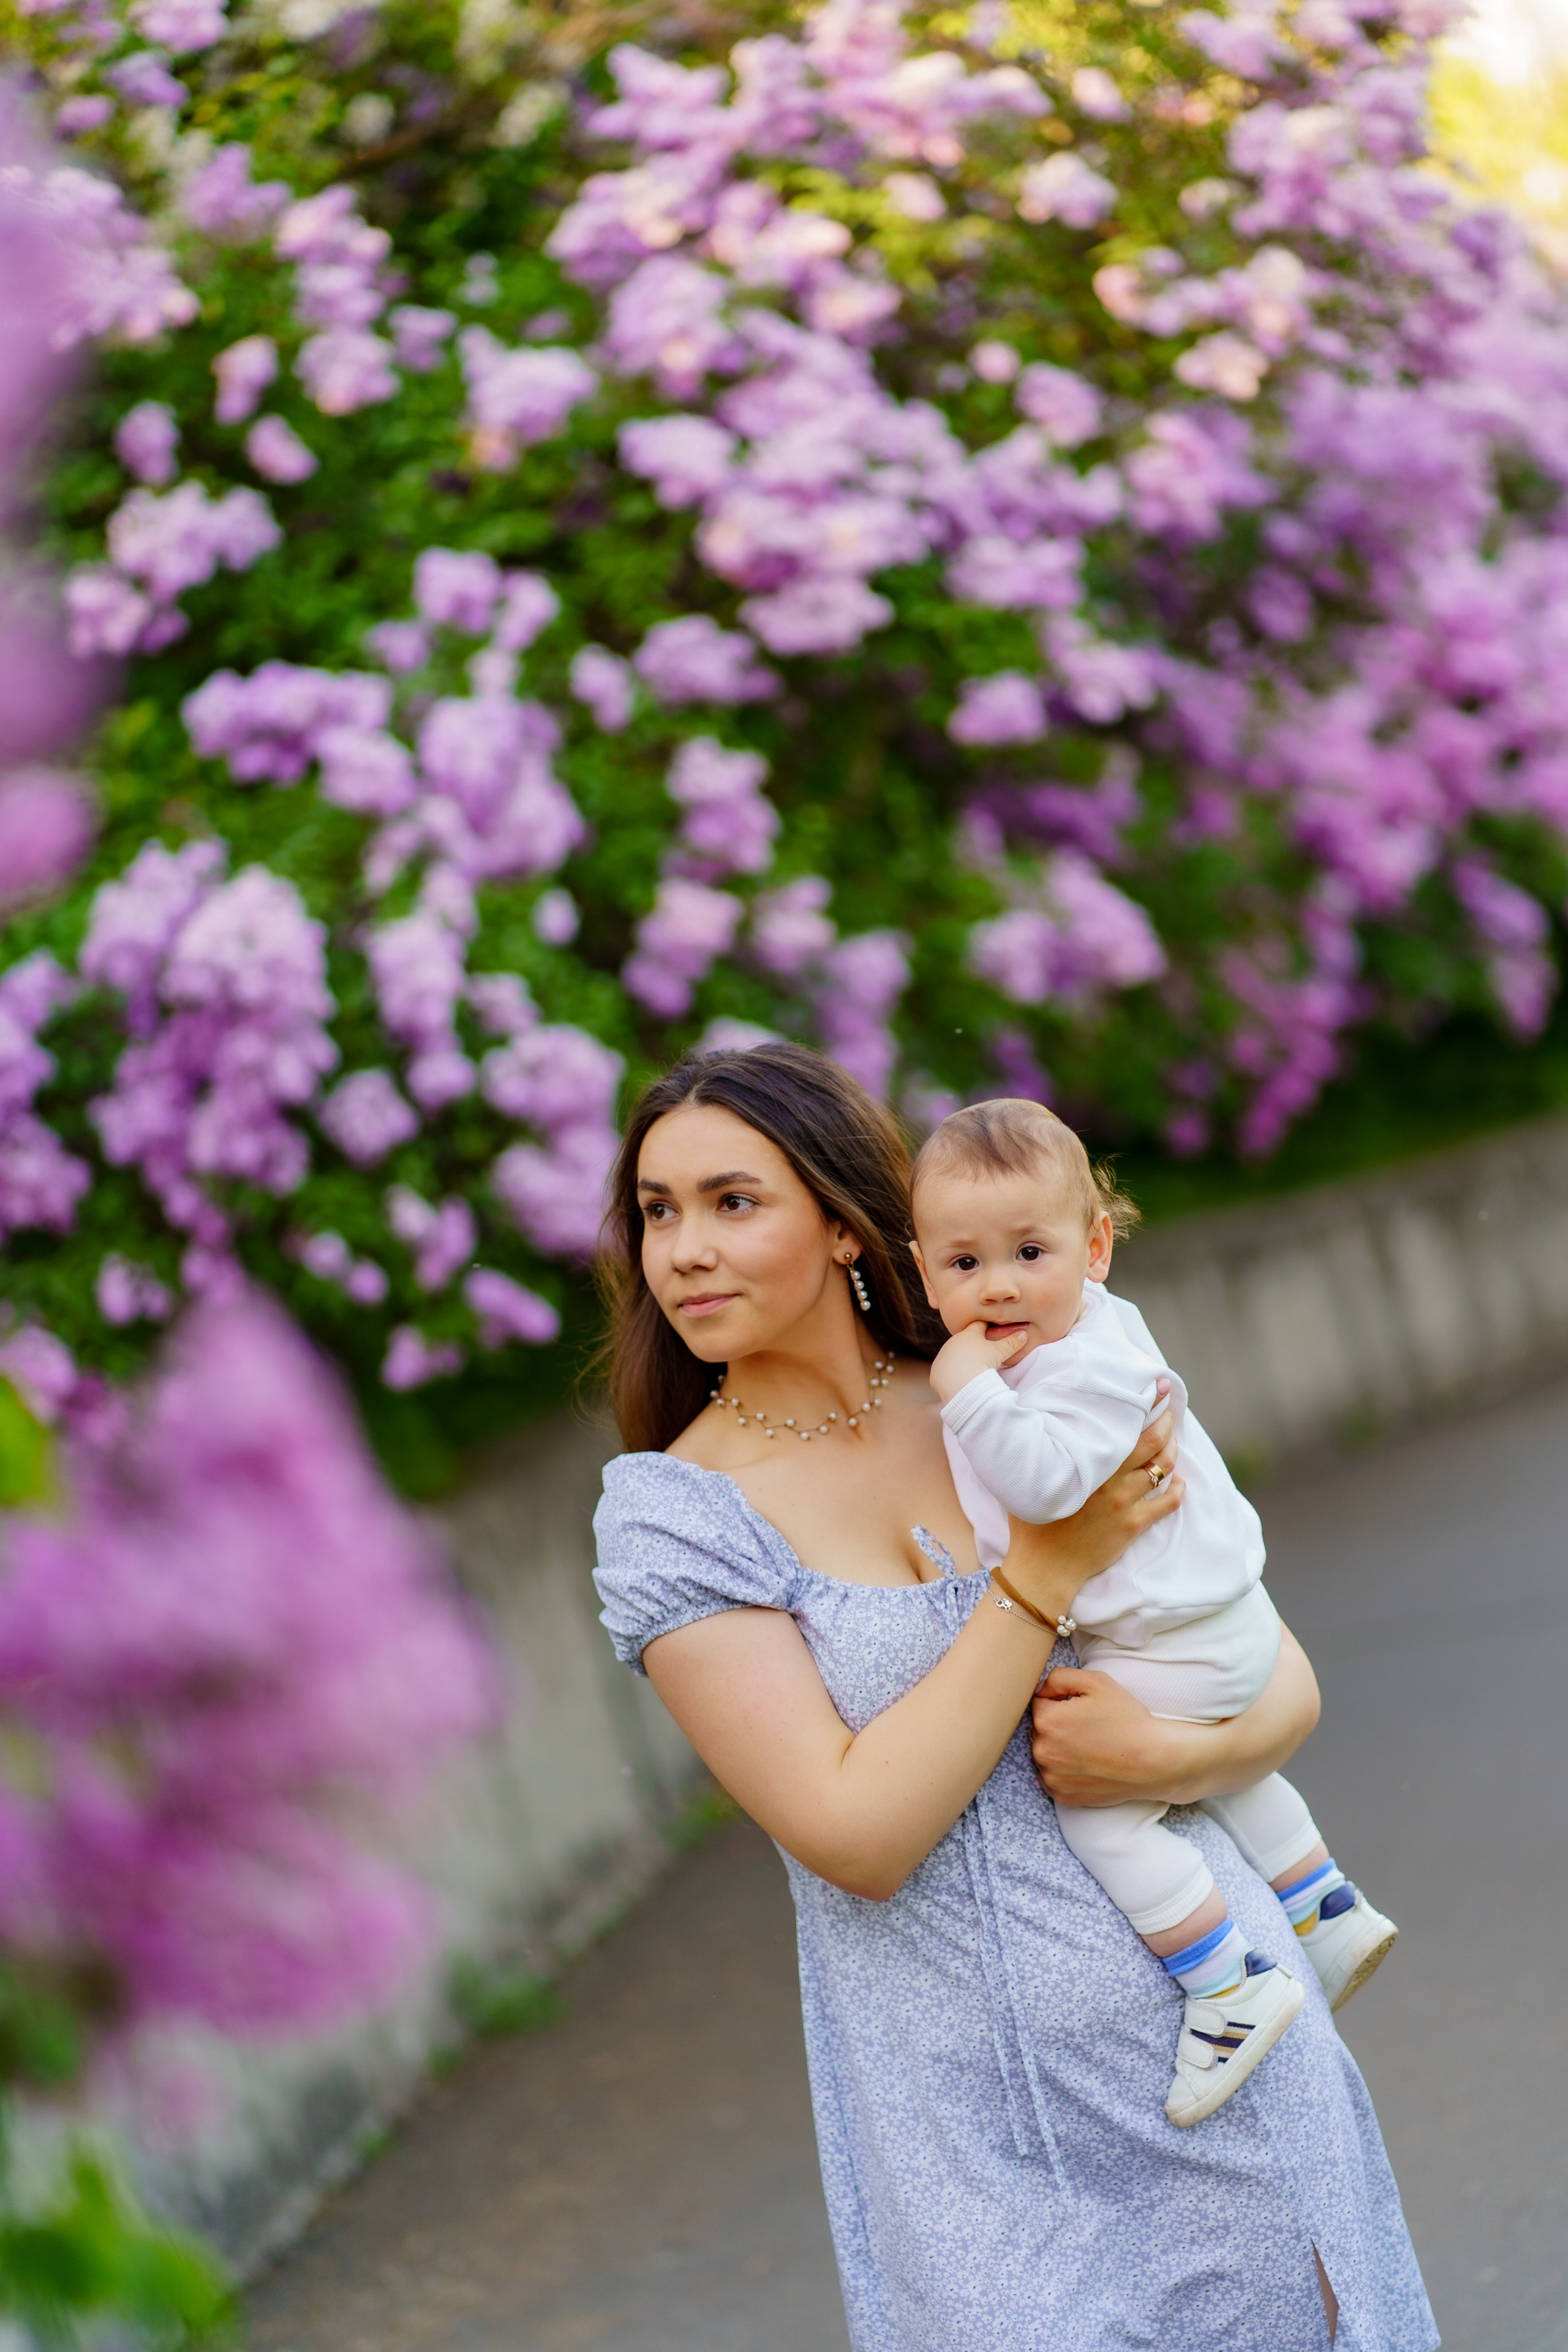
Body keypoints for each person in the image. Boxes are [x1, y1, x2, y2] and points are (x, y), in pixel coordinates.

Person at [591, 1041, 1436, 2352]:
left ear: (841, 1224)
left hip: (1225, 2055)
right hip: (974, 2140)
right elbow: (858, 1837)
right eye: (658, 1212)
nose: (685, 1250)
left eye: (731, 1202)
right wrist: (1042, 1575)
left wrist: (1159, 1760)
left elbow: (1269, 1671)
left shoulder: (1025, 1380)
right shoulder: (674, 1518)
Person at [908, 1096, 1398, 2128]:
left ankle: (1227, 1984)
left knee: (1102, 1812)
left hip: (1178, 1635)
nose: (997, 1286)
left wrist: (965, 1390)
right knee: (1217, 1764)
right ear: (922, 1268)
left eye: (1029, 1253)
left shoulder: (1085, 1365)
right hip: (1211, 1625)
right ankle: (1324, 1906)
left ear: (1095, 1250)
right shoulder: (1068, 1339)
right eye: (963, 1263)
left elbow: (1048, 1489)